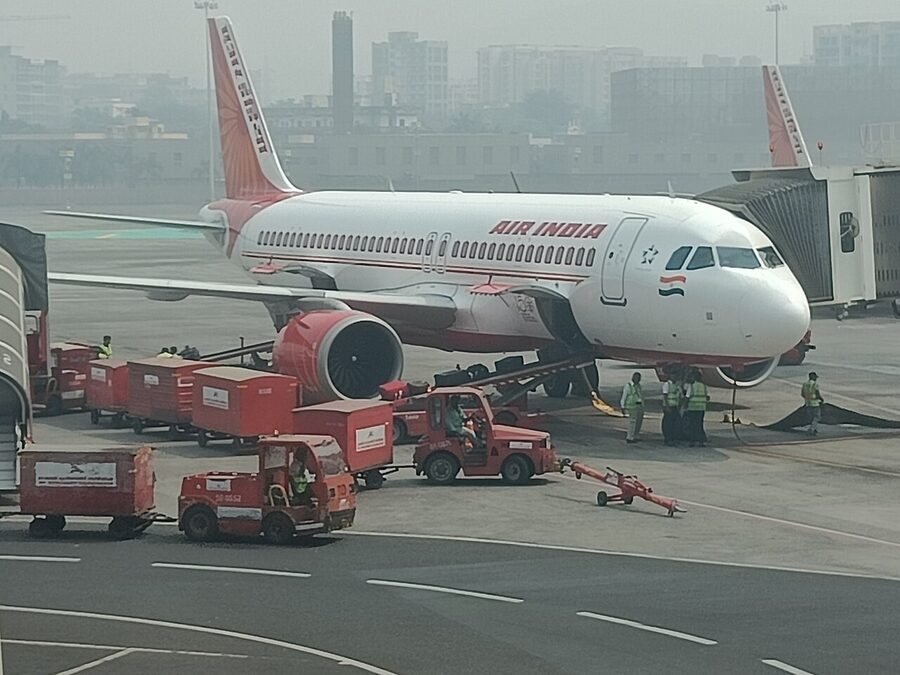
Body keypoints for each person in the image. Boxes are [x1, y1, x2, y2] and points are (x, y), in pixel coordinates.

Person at [684, 370, 710, 447]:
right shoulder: (704, 386)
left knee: (692, 425)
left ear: (694, 377)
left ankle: (692, 441)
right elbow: (707, 397)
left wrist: (684, 406)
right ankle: (701, 441)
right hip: (701, 408)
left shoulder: (691, 386)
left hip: (693, 408)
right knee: (699, 425)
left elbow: (687, 397)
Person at [661, 368, 683, 445]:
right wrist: (666, 406)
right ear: (670, 376)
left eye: (676, 376)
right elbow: (665, 396)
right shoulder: (667, 385)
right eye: (674, 375)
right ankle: (668, 439)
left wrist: (680, 406)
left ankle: (673, 438)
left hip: (675, 407)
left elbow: (680, 397)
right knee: (668, 424)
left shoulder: (677, 386)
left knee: (675, 424)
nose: (675, 377)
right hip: (669, 407)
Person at [620, 372, 644, 443]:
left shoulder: (638, 386)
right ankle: (630, 437)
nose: (638, 380)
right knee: (632, 422)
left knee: (639, 422)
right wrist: (622, 407)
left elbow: (640, 395)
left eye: (639, 378)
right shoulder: (628, 386)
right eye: (637, 378)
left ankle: (636, 435)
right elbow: (624, 397)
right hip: (632, 407)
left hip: (639, 406)